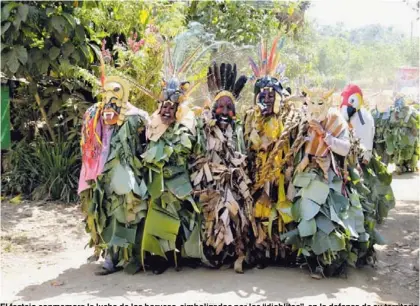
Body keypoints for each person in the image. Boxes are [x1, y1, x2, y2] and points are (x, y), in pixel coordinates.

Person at [78, 75, 150, 275]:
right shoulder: (95, 116)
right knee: (107, 215)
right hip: (102, 176)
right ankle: (111, 257)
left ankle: (132, 256)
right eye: (106, 98)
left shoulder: (135, 116)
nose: (110, 103)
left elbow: (148, 133)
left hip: (126, 177)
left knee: (129, 215)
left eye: (114, 98)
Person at [243, 37, 304, 268]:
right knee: (261, 211)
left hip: (281, 174)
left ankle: (285, 251)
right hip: (259, 174)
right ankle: (263, 251)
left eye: (271, 96)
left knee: (283, 208)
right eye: (262, 96)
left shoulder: (289, 120)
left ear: (280, 98)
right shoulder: (250, 119)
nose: (266, 101)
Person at [190, 62, 255, 273]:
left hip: (233, 185)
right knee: (210, 219)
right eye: (220, 106)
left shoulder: (238, 132)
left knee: (234, 216)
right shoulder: (204, 127)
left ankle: (233, 251)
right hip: (208, 184)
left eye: (229, 108)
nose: (224, 111)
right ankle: (209, 252)